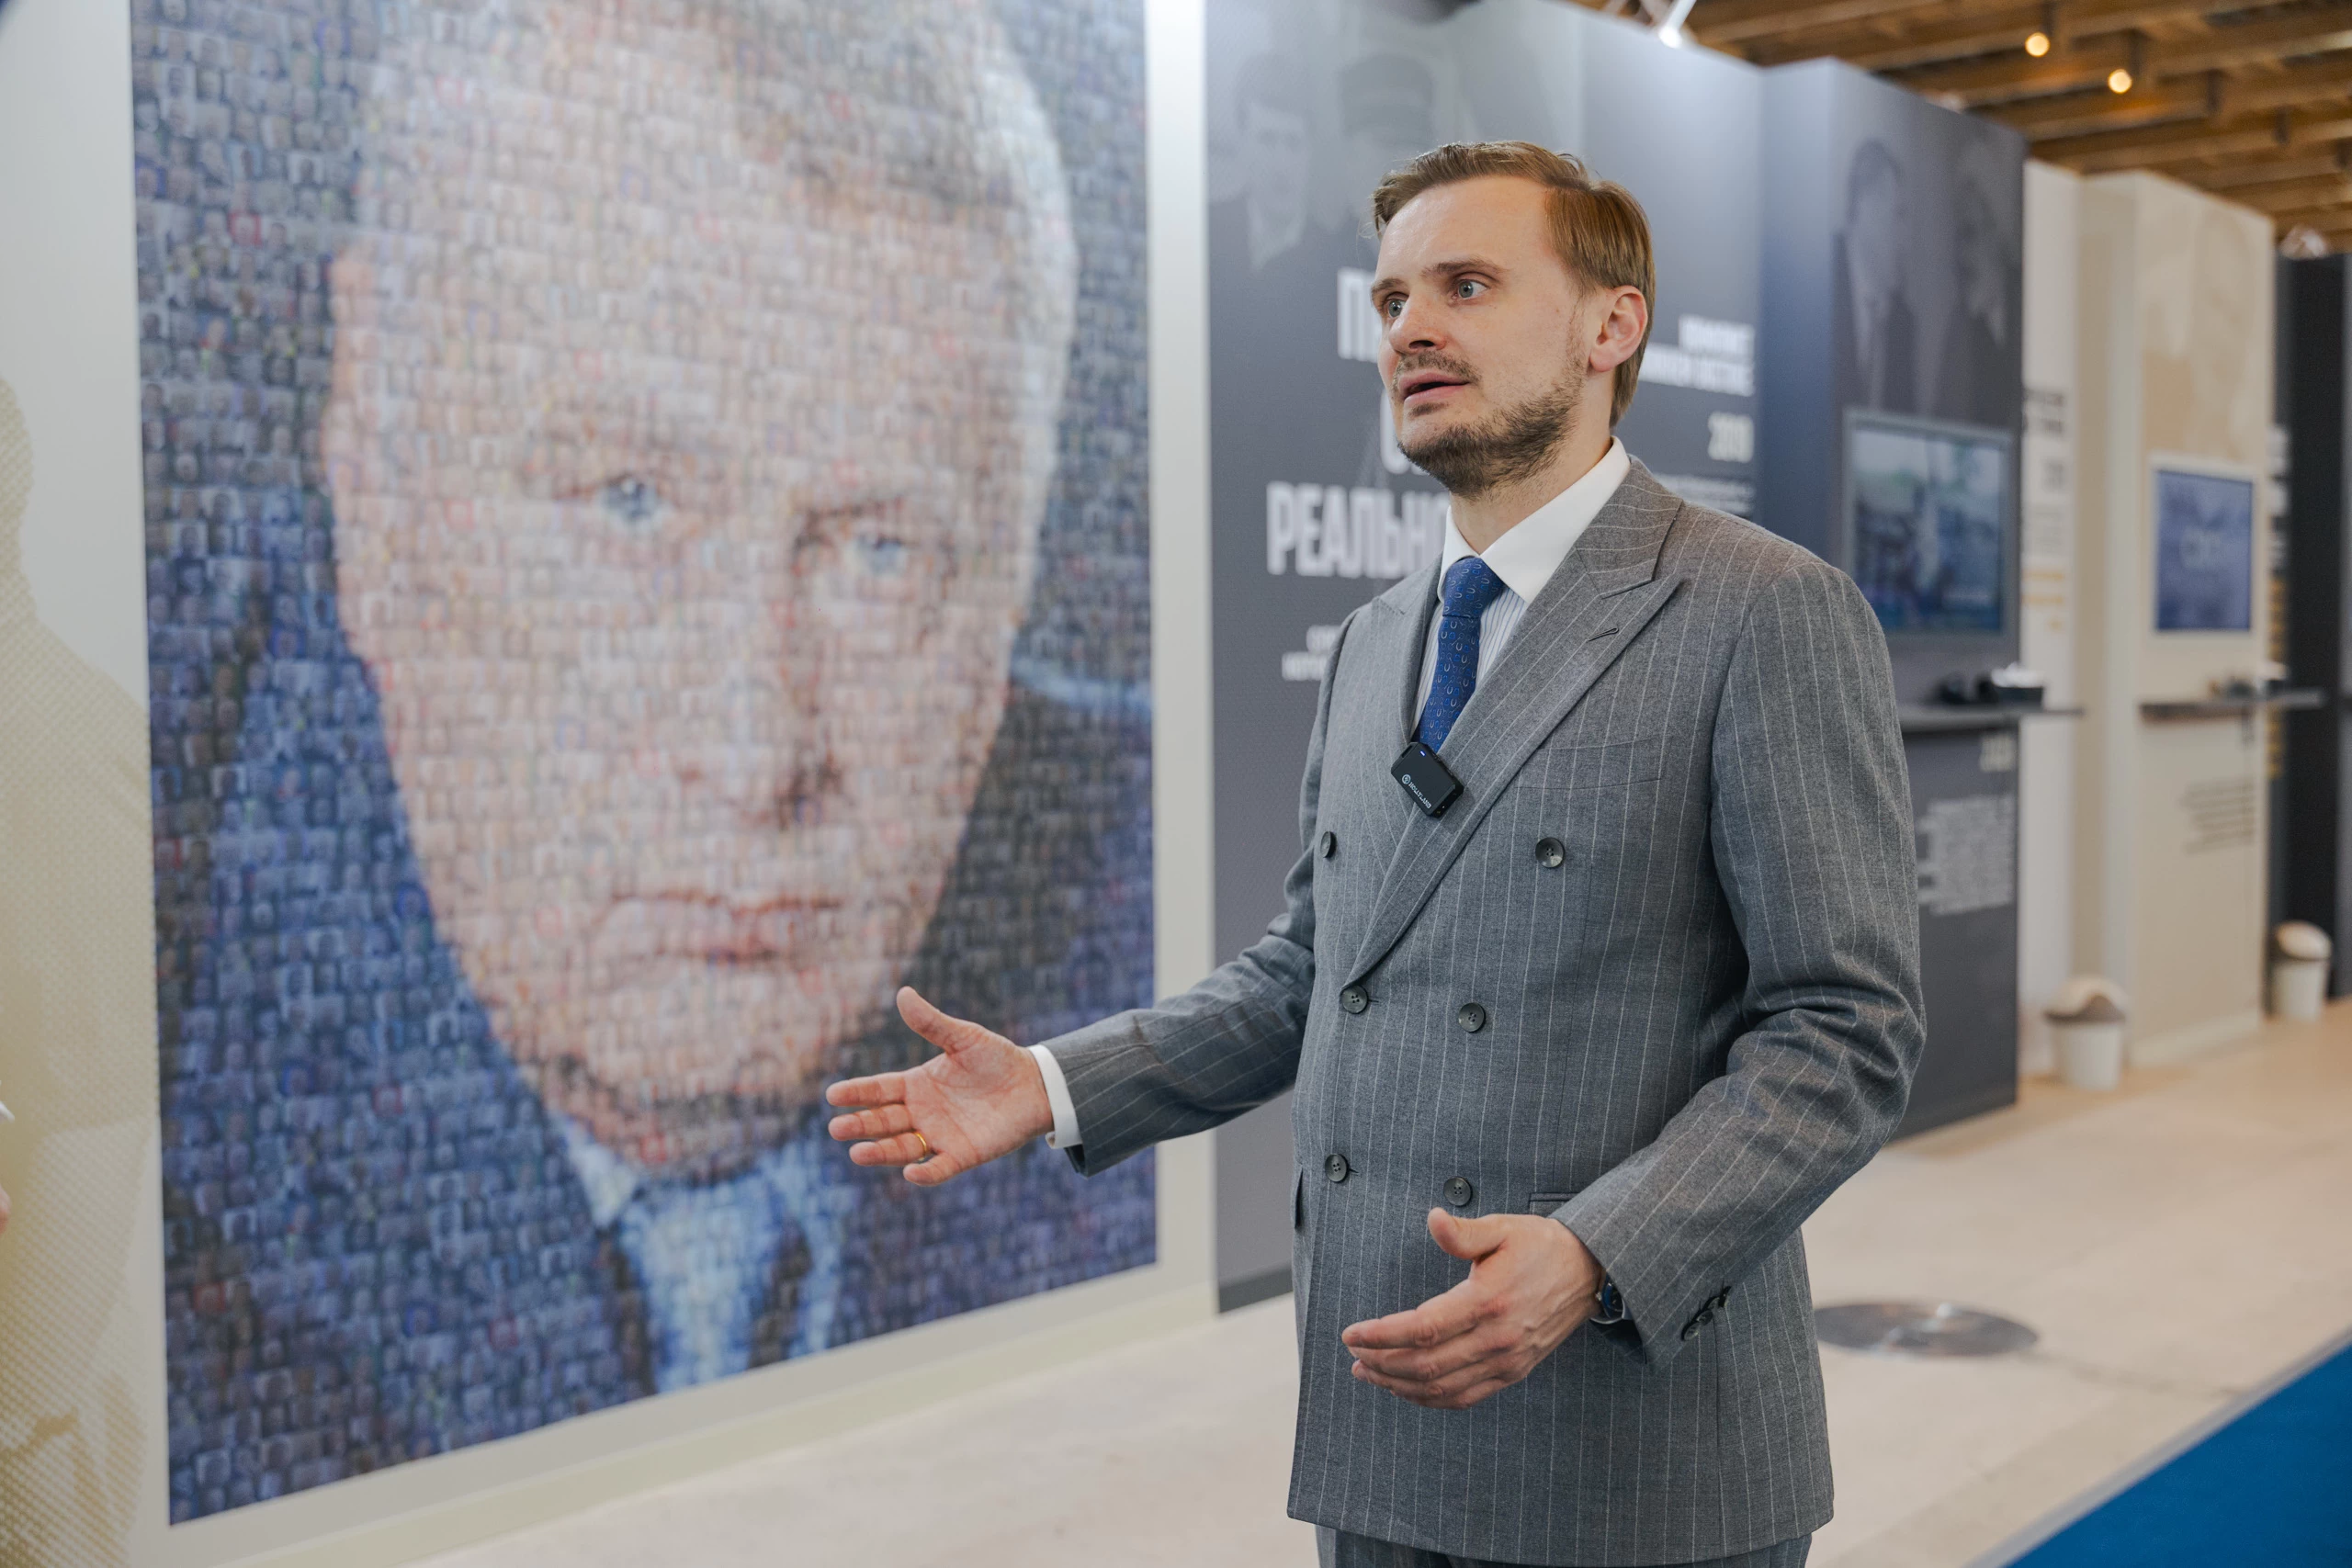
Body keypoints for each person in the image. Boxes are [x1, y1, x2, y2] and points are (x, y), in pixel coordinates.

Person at [831, 141, 1924, 1567]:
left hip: (1633, 1443)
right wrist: (1053, 1082)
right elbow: (1313, 969)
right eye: (1393, 297)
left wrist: (1599, 1251)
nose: (1411, 327)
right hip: (1383, 1419)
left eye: (1467, 285)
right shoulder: (1375, 640)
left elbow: (1845, 1026)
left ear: (1612, 325)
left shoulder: (1759, 609)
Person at [145, 0, 1153, 1520]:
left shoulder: (1155, 914)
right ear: (371, 456)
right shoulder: (100, 956)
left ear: (1011, 569)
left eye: (883, 550)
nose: (756, 757)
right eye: (627, 502)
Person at [1833, 138, 1918, 415]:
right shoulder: (1817, 283)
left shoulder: (1903, 322)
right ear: (1866, 207)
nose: (1905, 239)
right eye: (1899, 215)